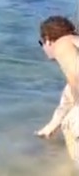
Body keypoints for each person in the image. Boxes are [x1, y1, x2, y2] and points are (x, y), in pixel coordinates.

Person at [35, 15, 79, 164]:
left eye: (41, 43)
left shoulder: (62, 44)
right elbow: (68, 99)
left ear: (47, 38)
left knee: (71, 124)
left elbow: (77, 76)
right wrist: (52, 125)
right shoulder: (74, 43)